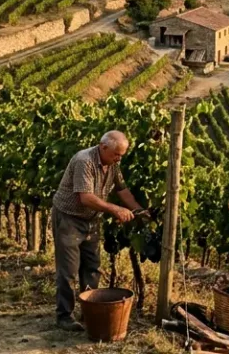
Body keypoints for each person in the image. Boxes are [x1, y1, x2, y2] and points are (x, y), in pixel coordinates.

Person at [50, 130, 144, 332]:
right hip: (69, 219)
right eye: (116, 154)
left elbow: (122, 190)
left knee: (92, 267)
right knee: (68, 271)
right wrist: (116, 209)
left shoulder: (113, 163)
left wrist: (138, 210)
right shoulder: (84, 161)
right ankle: (64, 316)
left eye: (121, 155)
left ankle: (89, 311)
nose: (119, 159)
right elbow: (86, 198)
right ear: (103, 147)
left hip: (91, 220)